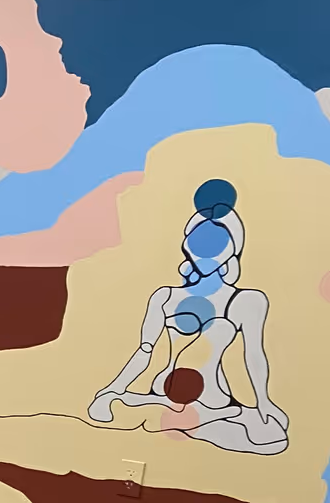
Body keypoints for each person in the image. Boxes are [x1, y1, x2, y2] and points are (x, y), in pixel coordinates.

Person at [87, 181, 285, 454]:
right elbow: (145, 351)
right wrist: (112, 389)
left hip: (214, 399)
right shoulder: (165, 297)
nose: (206, 251)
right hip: (162, 394)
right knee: (118, 406)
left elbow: (253, 355)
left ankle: (190, 421)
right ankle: (172, 418)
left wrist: (263, 400)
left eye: (217, 243)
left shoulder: (246, 301)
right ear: (187, 246)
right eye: (199, 241)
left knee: (271, 436)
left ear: (232, 250)